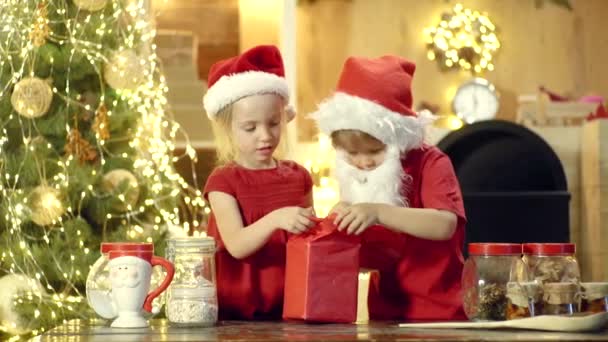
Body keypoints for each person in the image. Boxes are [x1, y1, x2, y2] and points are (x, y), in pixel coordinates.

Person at [310, 55, 466, 321]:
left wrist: (378, 212)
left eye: (375, 151)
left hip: (437, 308)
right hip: (381, 310)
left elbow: (444, 225)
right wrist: (342, 218)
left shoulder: (432, 163)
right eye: (352, 154)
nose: (364, 162)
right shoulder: (356, 170)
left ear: (396, 137)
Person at [202, 45, 315, 319]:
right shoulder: (223, 181)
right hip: (234, 314)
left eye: (274, 123)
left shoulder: (299, 176)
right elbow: (237, 245)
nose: (265, 136)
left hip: (292, 308)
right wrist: (277, 218)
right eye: (250, 128)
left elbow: (311, 240)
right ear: (228, 129)